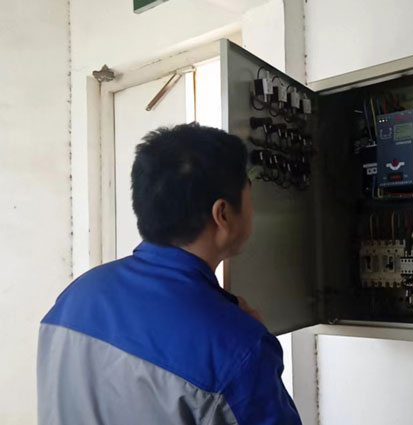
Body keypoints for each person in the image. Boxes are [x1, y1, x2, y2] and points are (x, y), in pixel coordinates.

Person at [37, 123, 302, 425]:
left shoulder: (75, 296)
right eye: (249, 197)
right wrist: (245, 342)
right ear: (223, 214)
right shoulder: (237, 349)